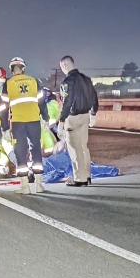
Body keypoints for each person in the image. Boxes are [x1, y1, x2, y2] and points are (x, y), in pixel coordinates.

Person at [2, 57, 49, 193]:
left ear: (12, 69)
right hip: (34, 121)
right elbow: (42, 103)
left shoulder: (8, 84)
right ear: (23, 68)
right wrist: (45, 119)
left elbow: (4, 108)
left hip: (18, 123)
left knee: (20, 153)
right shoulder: (34, 81)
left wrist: (5, 128)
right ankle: (39, 185)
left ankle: (25, 187)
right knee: (36, 151)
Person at [57, 55, 99, 187]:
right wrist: (93, 113)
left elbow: (67, 102)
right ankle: (87, 176)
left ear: (64, 66)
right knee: (83, 147)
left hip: (73, 118)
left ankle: (79, 178)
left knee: (74, 148)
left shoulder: (67, 82)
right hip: (85, 116)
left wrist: (62, 120)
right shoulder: (86, 79)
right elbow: (94, 97)